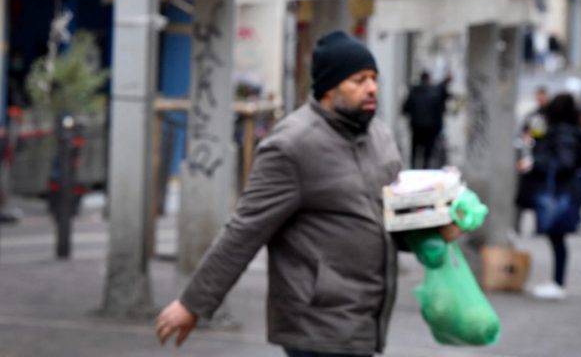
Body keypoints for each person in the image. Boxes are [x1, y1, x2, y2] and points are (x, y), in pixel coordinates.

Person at [155, 30, 460, 357]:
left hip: (363, 319)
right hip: (317, 321)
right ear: (329, 88)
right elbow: (244, 230)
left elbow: (387, 219)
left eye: (374, 78)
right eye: (358, 80)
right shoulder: (292, 146)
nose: (371, 88)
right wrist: (193, 303)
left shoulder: (379, 136)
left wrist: (436, 224)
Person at [526, 93, 581, 300]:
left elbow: (564, 162)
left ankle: (558, 283)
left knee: (557, 237)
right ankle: (557, 282)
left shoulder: (562, 134)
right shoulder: (568, 131)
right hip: (564, 189)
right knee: (557, 238)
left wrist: (538, 163)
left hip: (559, 191)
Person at [514, 86, 549, 234]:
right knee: (524, 196)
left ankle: (540, 226)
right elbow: (523, 134)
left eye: (543, 96)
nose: (541, 99)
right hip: (530, 159)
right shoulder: (532, 116)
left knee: (539, 196)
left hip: (543, 161)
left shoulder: (550, 117)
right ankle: (517, 225)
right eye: (539, 96)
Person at [402, 70, 452, 168]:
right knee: (427, 154)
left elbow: (405, 109)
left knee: (415, 153)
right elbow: (441, 106)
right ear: (429, 79)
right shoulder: (434, 92)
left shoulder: (414, 91)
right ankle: (424, 171)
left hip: (416, 128)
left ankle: (413, 171)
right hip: (430, 129)